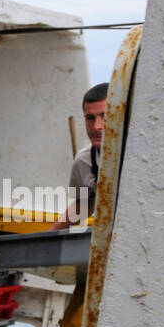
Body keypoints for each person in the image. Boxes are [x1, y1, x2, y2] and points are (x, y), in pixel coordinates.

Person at [49, 82, 107, 231]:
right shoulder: (84, 161)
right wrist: (46, 237)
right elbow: (84, 204)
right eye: (90, 118)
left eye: (105, 116)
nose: (96, 127)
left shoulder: (140, 156)